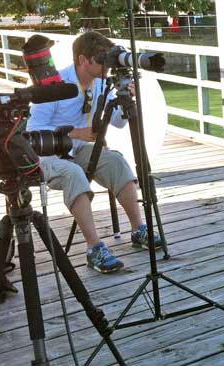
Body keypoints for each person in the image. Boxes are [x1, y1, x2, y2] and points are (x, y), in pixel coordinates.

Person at [27, 31, 163, 274]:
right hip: (49, 155)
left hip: (80, 149)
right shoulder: (56, 85)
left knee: (116, 162)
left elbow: (120, 123)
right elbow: (33, 131)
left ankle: (138, 229)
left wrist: (127, 98)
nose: (106, 67)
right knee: (74, 174)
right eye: (101, 61)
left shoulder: (101, 81)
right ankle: (94, 248)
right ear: (82, 60)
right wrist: (75, 133)